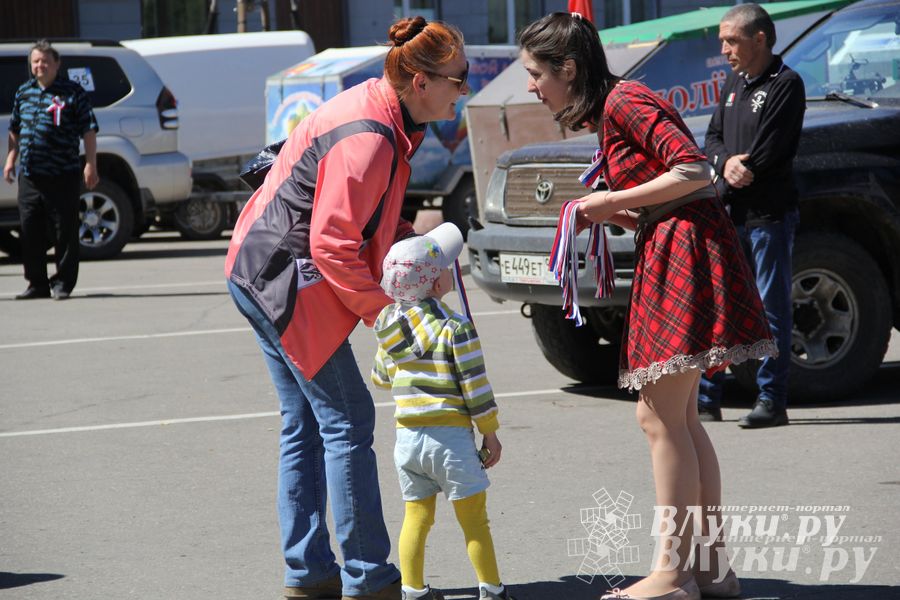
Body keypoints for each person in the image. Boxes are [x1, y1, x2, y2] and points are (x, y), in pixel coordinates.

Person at [519, 13, 777, 600]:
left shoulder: (624, 102)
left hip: (684, 247)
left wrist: (611, 199)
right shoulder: (614, 107)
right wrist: (620, 210)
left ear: (569, 69)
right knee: (675, 417)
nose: (532, 86)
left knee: (660, 417)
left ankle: (672, 572)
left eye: (537, 74)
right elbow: (673, 183)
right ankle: (710, 569)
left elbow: (691, 168)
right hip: (674, 241)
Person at [224, 16, 470, 600]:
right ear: (419, 81)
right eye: (457, 81)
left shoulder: (384, 113)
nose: (464, 91)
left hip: (257, 267)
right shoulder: (372, 135)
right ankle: (369, 579)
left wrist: (413, 255)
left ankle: (310, 575)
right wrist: (384, 313)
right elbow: (331, 241)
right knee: (347, 421)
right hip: (285, 279)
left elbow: (367, 214)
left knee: (306, 424)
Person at [370, 223, 514, 600]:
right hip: (449, 440)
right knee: (474, 519)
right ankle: (492, 589)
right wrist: (490, 431)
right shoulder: (454, 328)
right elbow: (474, 387)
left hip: (407, 441)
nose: (453, 271)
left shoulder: (389, 327)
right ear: (436, 284)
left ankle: (413, 590)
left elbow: (380, 378)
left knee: (416, 517)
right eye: (446, 268)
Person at [699, 3, 806, 428]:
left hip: (768, 217)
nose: (724, 49)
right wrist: (725, 163)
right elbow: (712, 137)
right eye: (722, 41)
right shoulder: (733, 83)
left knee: (771, 310)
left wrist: (745, 168)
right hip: (730, 212)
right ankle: (708, 397)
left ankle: (771, 399)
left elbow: (771, 147)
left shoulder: (786, 84)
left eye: (731, 40)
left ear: (759, 39)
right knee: (719, 306)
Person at [4, 39, 99, 300]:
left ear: (57, 64)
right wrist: (11, 159)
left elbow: (88, 129)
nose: (40, 66)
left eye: (45, 61)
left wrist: (91, 163)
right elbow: (15, 130)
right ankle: (37, 283)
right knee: (30, 229)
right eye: (35, 61)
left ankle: (63, 283)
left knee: (64, 231)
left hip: (63, 174)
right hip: (31, 176)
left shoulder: (72, 92)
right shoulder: (24, 92)